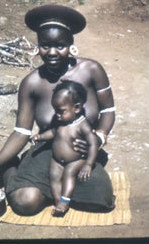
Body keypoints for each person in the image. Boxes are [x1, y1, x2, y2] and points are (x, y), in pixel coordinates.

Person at [0, 4, 116, 216]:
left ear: (71, 45)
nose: (53, 52)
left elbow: (109, 110)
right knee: (25, 203)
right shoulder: (31, 83)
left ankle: (50, 190)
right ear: (37, 46)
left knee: (101, 199)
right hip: (48, 151)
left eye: (60, 46)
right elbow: (22, 132)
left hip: (82, 154)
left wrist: (99, 138)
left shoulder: (91, 70)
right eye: (45, 46)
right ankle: (9, 170)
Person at [31, 80, 99, 216]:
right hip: (56, 160)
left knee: (69, 175)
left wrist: (88, 164)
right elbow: (53, 132)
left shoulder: (82, 125)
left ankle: (65, 200)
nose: (57, 114)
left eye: (61, 111)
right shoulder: (59, 120)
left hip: (76, 160)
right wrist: (40, 137)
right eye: (55, 110)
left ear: (77, 108)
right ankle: (58, 201)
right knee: (54, 176)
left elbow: (93, 144)